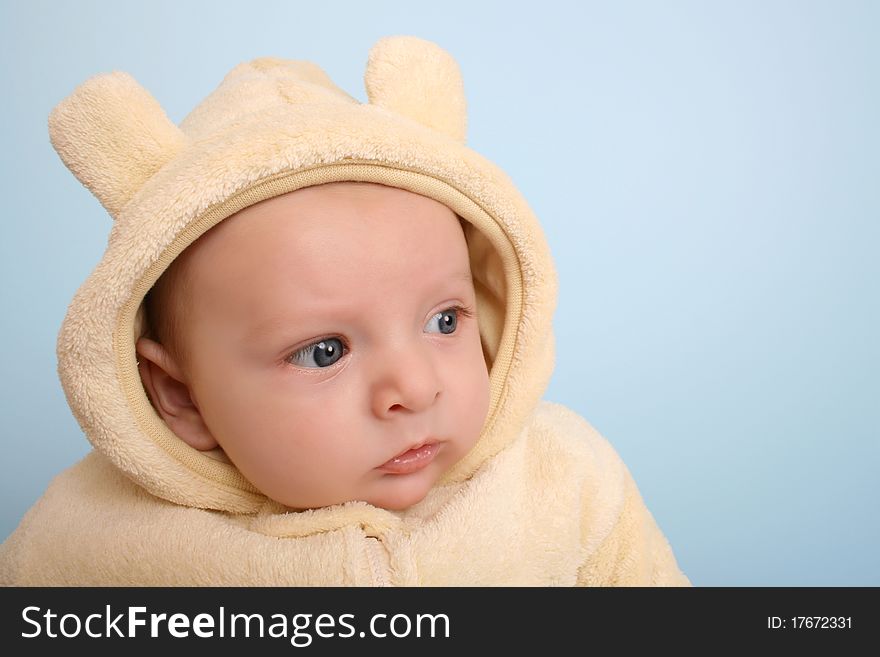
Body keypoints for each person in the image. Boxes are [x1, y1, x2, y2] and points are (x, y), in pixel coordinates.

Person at [0, 36, 690, 586]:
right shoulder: (88, 550)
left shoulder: (566, 482)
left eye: (445, 320)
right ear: (181, 394)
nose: (416, 388)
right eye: (324, 350)